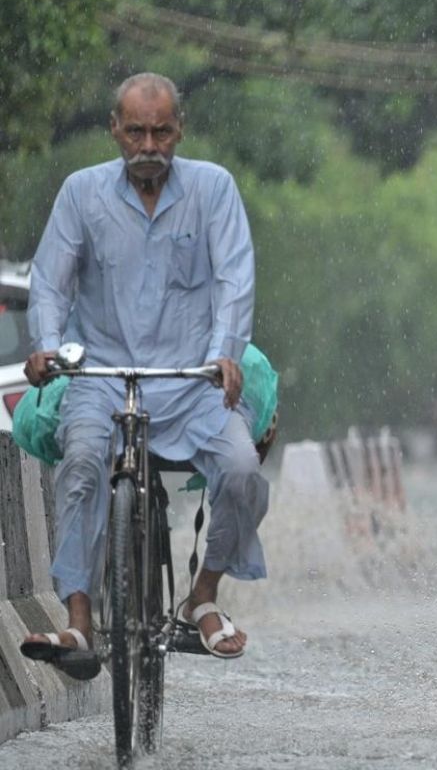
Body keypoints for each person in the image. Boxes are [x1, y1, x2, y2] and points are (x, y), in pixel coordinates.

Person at [20, 72, 267, 674]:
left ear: (179, 130)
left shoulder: (214, 188)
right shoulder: (82, 193)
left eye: (161, 131)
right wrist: (47, 347)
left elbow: (235, 278)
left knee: (241, 470)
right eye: (136, 131)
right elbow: (50, 282)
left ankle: (203, 597)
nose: (148, 145)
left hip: (192, 380)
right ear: (115, 130)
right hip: (102, 377)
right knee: (81, 465)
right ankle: (80, 623)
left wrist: (226, 352)